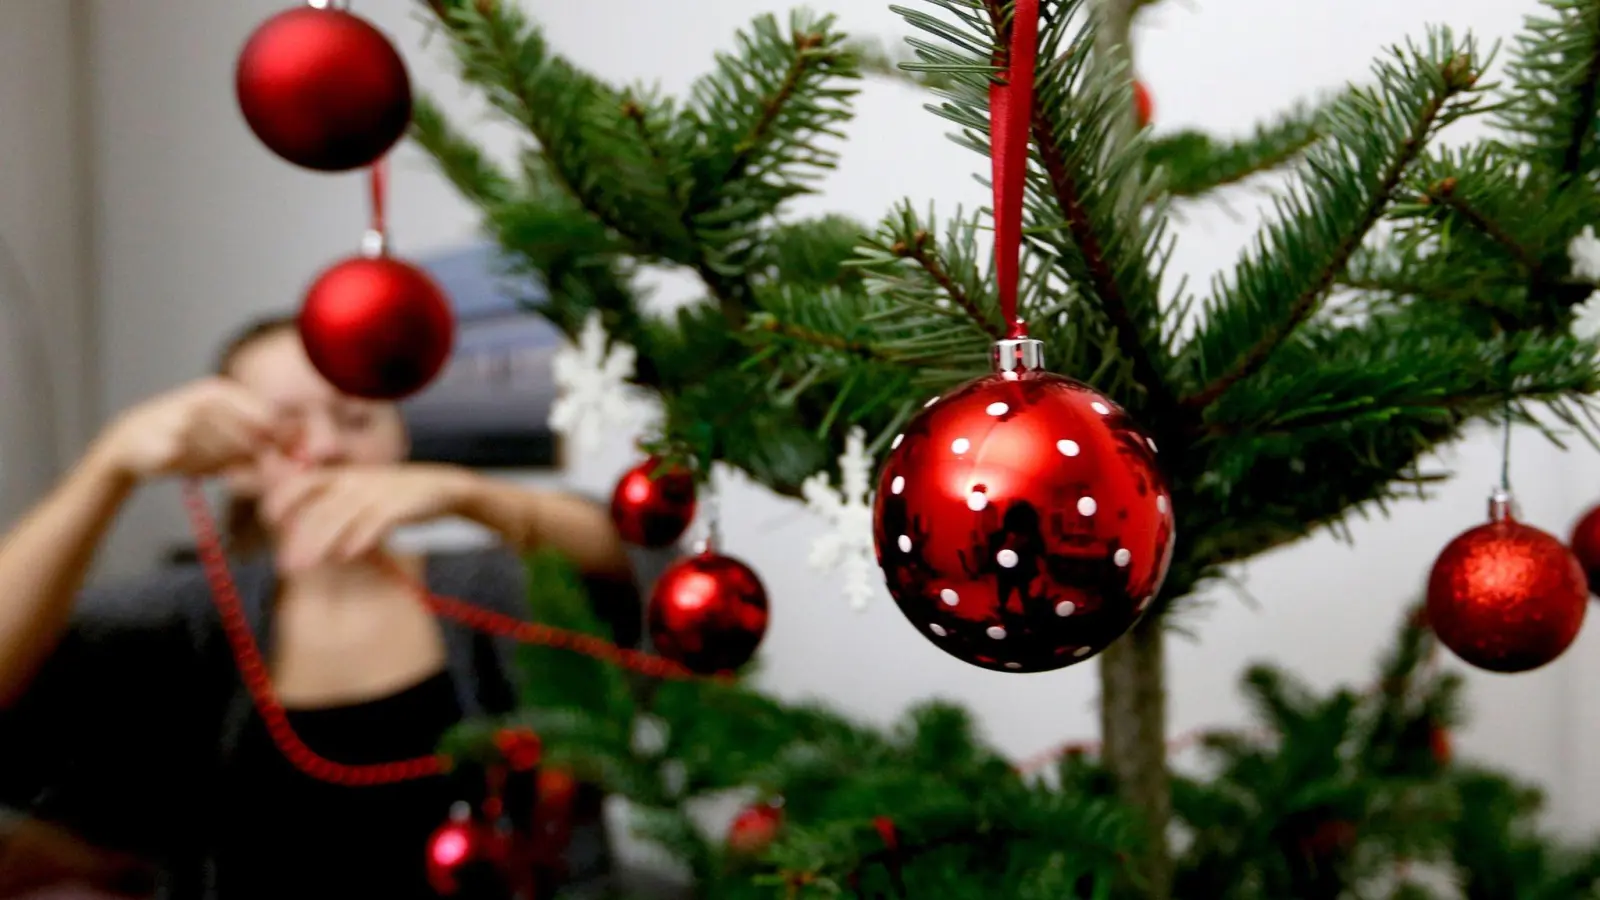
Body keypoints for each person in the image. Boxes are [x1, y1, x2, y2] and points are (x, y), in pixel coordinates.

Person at [0, 314, 669, 900]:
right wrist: (107, 468)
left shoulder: (487, 593)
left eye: (355, 417)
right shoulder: (184, 625)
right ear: (228, 460)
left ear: (398, 440)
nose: (324, 447)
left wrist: (474, 495)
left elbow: (653, 570)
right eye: (283, 423)